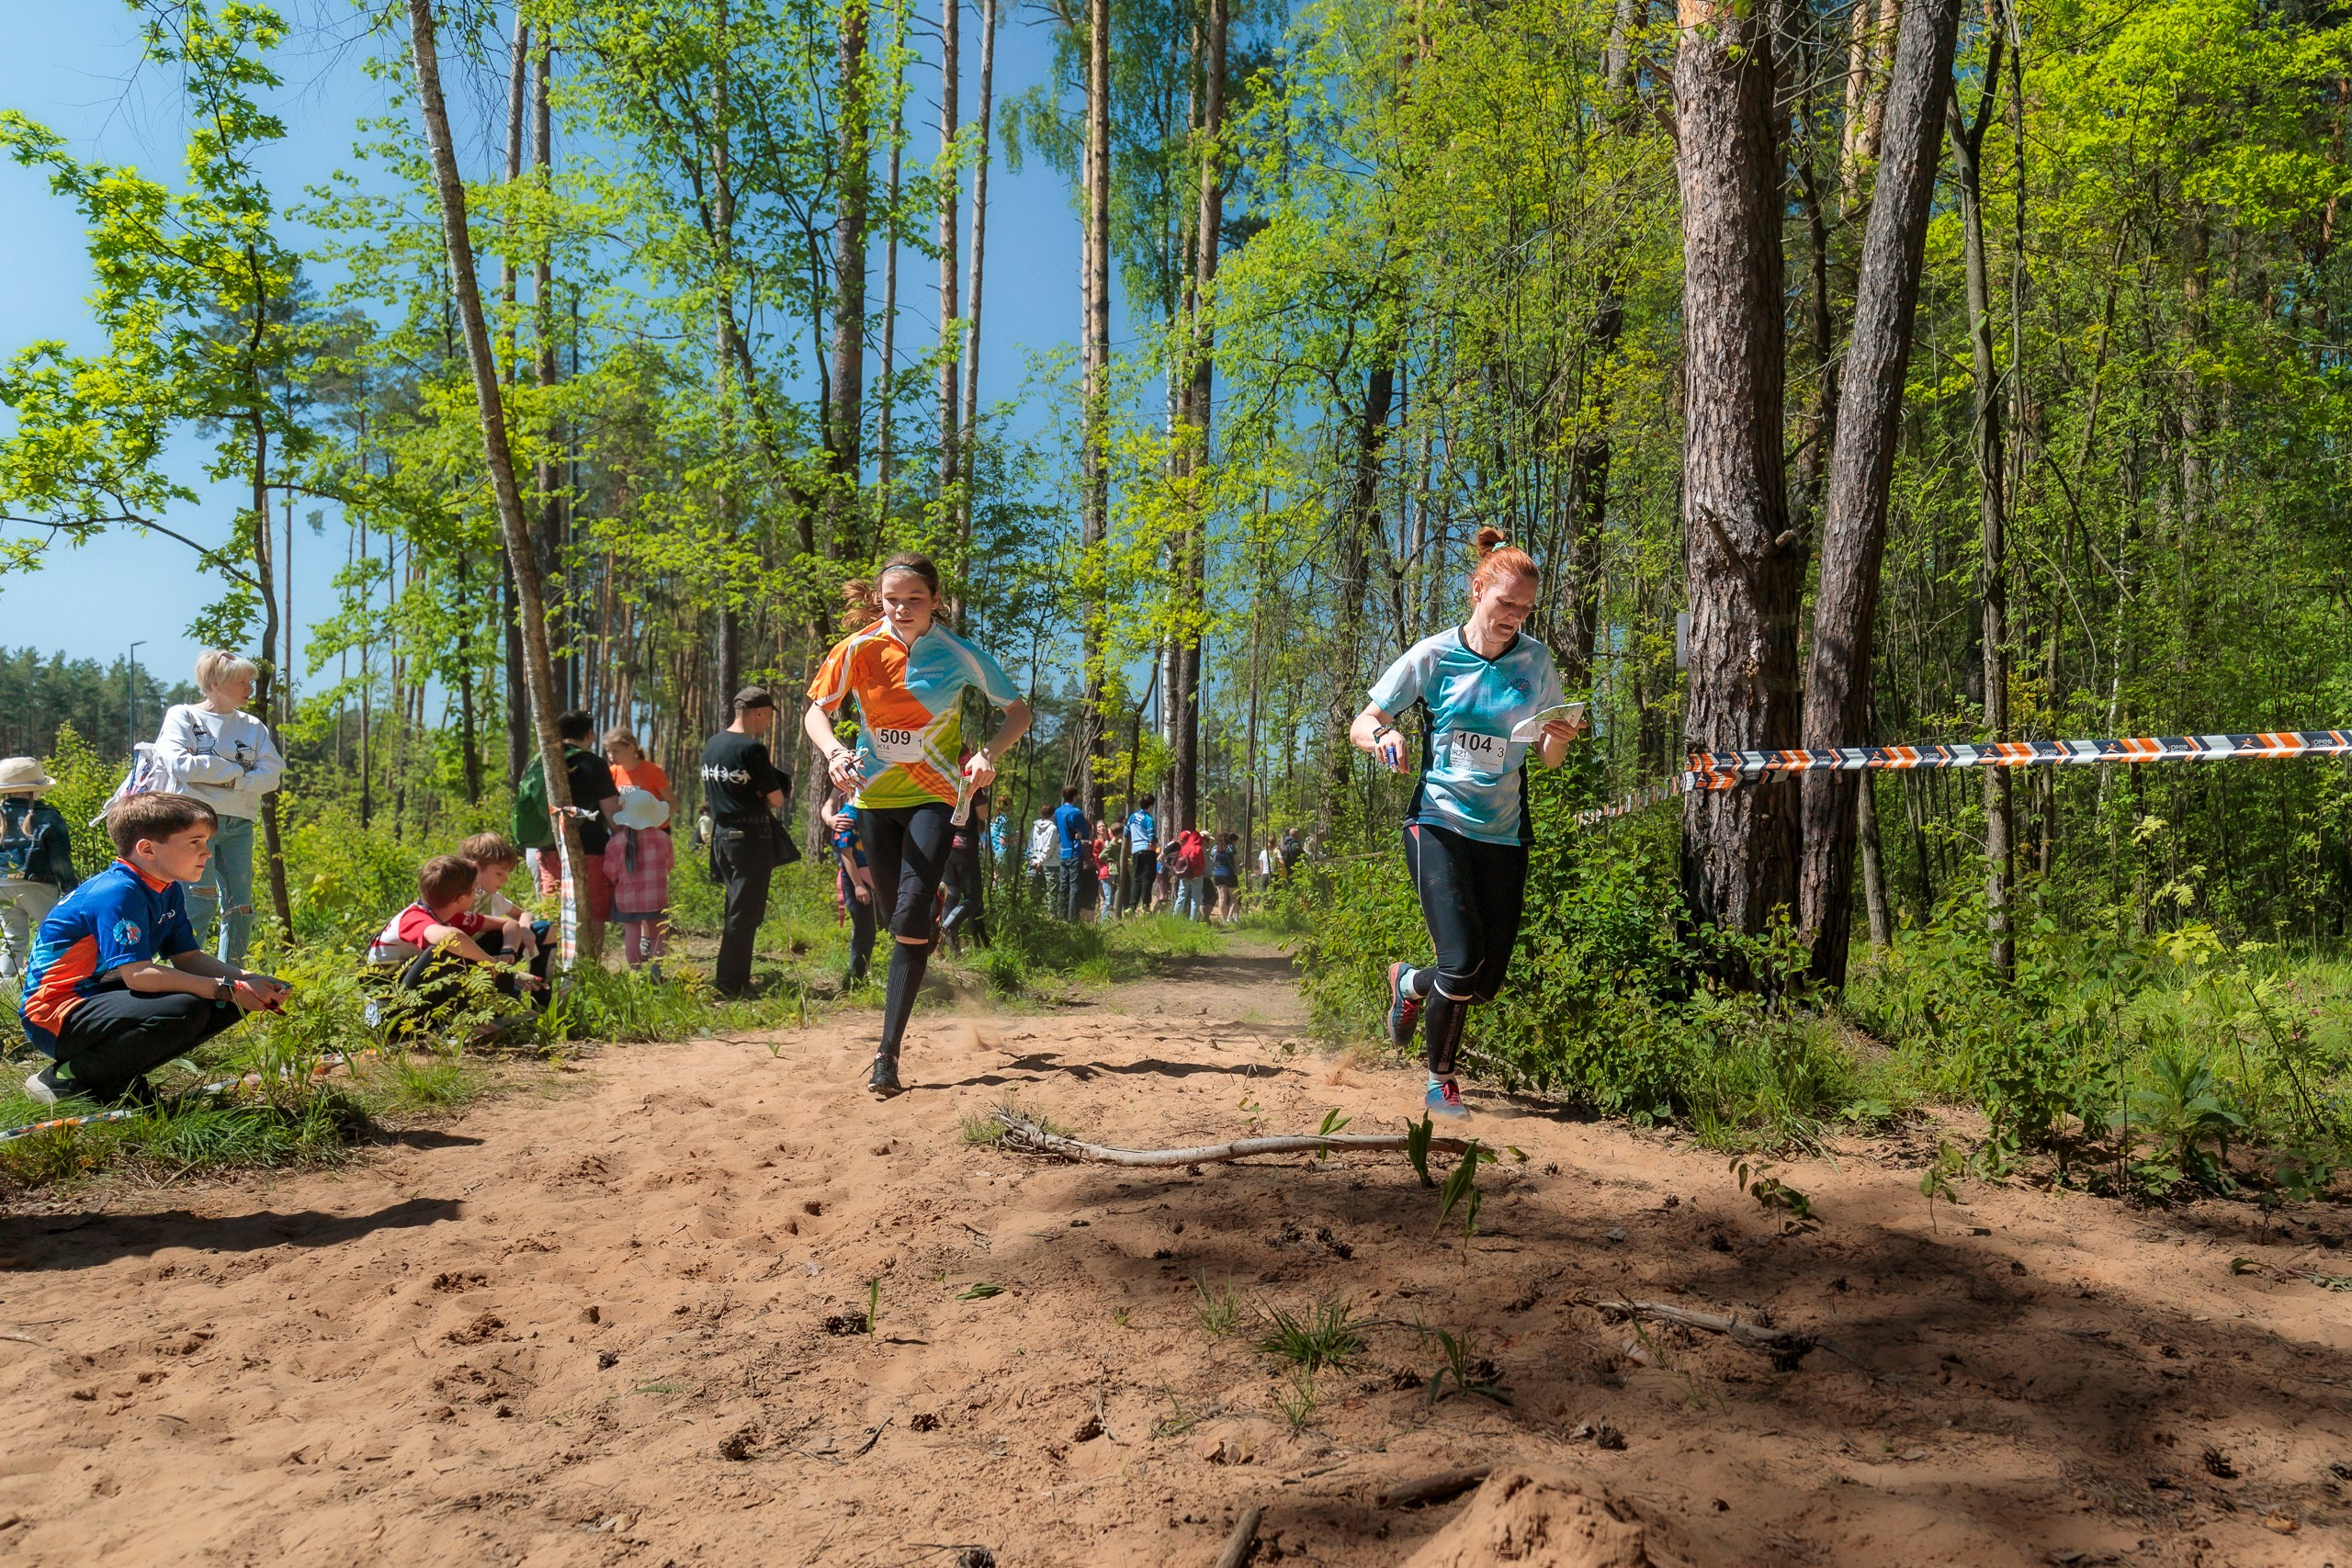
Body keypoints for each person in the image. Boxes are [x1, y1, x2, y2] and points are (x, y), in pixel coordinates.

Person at [1353, 527, 1585, 1121]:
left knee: (1482, 982)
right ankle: (1441, 1083)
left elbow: (1550, 759)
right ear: (1477, 590)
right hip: (1438, 823)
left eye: (1525, 608)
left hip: (1503, 834)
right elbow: (1363, 721)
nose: (1514, 616)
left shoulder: (1535, 662)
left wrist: (1558, 737)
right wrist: (1386, 735)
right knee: (1461, 960)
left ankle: (1408, 984)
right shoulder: (1433, 655)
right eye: (1505, 603)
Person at [804, 552, 1032, 1094]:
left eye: (915, 599)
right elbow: (817, 710)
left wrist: (988, 756)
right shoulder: (857, 649)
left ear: (935, 600)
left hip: (934, 798)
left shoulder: (958, 653)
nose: (902, 609)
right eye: (892, 599)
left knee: (907, 915)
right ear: (879, 600)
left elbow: (1018, 712)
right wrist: (835, 752)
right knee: (894, 916)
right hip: (873, 801)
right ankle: (918, 923)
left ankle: (887, 1055)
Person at [19, 794, 289, 1107]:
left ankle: (118, 1077)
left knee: (228, 1003)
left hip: (100, 996)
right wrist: (228, 989)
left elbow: (188, 958)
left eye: (207, 841)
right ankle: (65, 1080)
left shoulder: (166, 887)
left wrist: (253, 981)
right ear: (147, 849)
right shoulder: (118, 892)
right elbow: (139, 976)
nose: (206, 852)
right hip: (55, 1012)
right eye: (195, 842)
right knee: (186, 1008)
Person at [150, 649, 284, 964]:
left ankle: (230, 982)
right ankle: (181, 975)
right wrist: (239, 771)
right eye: (242, 681)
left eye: (251, 680)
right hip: (193, 824)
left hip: (240, 824)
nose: (250, 687)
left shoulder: (253, 726)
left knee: (241, 907)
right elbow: (178, 763)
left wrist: (227, 779)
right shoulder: (183, 715)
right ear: (214, 683)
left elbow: (273, 775)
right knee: (199, 902)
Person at [368, 854, 545, 1038]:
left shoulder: (449, 915)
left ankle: (496, 1014)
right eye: (474, 890)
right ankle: (473, 1020)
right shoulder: (413, 917)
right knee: (444, 952)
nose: (476, 894)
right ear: (461, 899)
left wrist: (507, 954)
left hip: (414, 995)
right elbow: (452, 938)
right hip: (391, 1013)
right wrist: (494, 964)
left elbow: (508, 925)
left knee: (488, 940)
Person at [701, 687, 793, 998]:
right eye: (766, 717)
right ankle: (732, 984)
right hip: (750, 837)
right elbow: (777, 799)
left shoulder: (713, 744)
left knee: (736, 908)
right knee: (746, 913)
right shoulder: (751, 749)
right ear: (758, 712)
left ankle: (731, 978)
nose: (766, 724)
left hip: (722, 836)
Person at [514, 711, 623, 927]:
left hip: (548, 849)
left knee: (554, 915)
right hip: (590, 851)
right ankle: (590, 961)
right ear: (590, 734)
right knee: (592, 917)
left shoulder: (538, 762)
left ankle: (551, 958)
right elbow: (612, 814)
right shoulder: (594, 764)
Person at [0, 756, 79, 982]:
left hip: (2, 884)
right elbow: (60, 860)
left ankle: (7, 983)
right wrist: (70, 889)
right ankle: (54, 977)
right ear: (35, 789)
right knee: (56, 931)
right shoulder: (48, 817)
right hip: (37, 883)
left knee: (12, 936)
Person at [458, 831, 549, 996]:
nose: (504, 880)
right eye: (499, 874)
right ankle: (509, 990)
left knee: (544, 929)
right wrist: (508, 972)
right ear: (476, 868)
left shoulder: (487, 894)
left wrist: (523, 928)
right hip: (462, 961)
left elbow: (524, 914)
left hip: (487, 954)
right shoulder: (455, 897)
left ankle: (544, 1004)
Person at [605, 789, 676, 981]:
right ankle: (656, 971)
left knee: (632, 932)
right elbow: (669, 864)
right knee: (658, 933)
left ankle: (635, 972)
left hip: (627, 899)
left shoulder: (615, 842)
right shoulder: (663, 839)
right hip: (656, 897)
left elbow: (610, 872)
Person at [823, 787, 876, 987]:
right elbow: (846, 854)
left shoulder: (865, 816)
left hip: (869, 878)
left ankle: (862, 974)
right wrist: (857, 885)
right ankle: (854, 979)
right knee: (864, 930)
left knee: (870, 929)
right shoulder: (847, 817)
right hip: (856, 880)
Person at [940, 783, 990, 955]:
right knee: (974, 898)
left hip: (946, 845)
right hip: (966, 846)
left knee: (951, 894)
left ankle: (954, 950)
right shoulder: (972, 783)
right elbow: (983, 813)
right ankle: (945, 928)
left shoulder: (944, 779)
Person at [1050, 785, 1090, 923]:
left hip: (1063, 852)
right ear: (1074, 796)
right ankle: (1073, 919)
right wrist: (1080, 834)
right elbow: (1085, 833)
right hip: (1074, 851)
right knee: (1075, 887)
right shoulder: (1076, 812)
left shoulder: (1057, 812)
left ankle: (1061, 916)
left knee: (1063, 886)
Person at [603, 727, 671, 806]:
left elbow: (673, 804)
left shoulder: (654, 771)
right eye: (608, 751)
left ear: (631, 748)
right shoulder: (610, 772)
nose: (611, 756)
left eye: (616, 751)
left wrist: (656, 817)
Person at [1123, 794, 1159, 915]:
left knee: (1137, 878)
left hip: (1135, 850)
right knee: (1147, 878)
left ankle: (1131, 906)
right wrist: (1155, 842)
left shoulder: (1132, 817)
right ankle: (1145, 905)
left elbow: (1126, 832)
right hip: (1147, 850)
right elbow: (1151, 837)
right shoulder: (1149, 820)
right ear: (1150, 805)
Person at [1169, 825, 1208, 920]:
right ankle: (1192, 921)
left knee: (1181, 897)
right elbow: (1202, 865)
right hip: (1196, 877)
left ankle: (1175, 918)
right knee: (1195, 900)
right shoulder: (1198, 849)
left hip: (1184, 876)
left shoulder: (1183, 848)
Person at [1210, 831, 1240, 924]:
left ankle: (1223, 919)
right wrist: (1238, 870)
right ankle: (1229, 917)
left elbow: (1211, 860)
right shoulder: (1230, 847)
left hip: (1217, 875)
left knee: (1222, 897)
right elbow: (1235, 862)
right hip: (1229, 874)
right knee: (1234, 897)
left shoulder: (1214, 849)